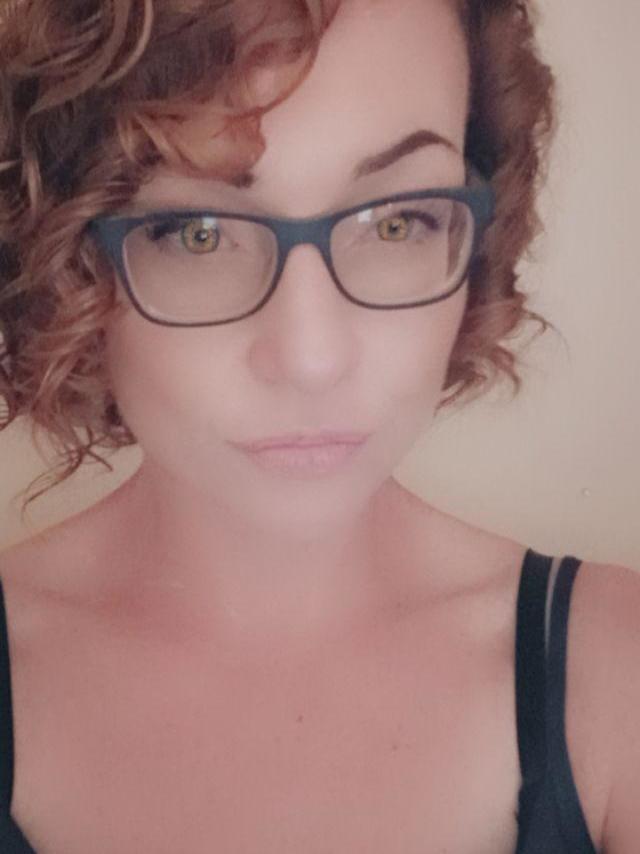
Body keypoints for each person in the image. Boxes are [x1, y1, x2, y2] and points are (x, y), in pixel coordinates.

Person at [0, 0, 638, 851]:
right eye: (196, 233)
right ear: (66, 261)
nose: (312, 357)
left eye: (396, 220)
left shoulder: (618, 674)